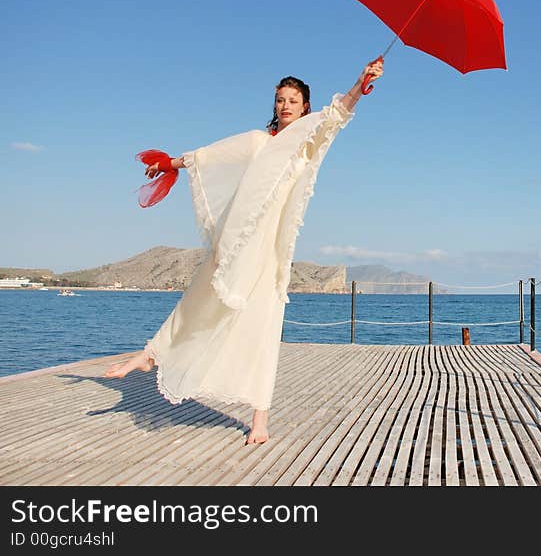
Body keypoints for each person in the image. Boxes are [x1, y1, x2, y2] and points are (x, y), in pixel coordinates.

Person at [105, 57, 385, 445]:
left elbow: (338, 114)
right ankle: (151, 355)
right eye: (280, 99)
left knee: (264, 328)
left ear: (306, 106)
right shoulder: (257, 142)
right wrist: (168, 163)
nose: (285, 105)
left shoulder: (308, 142)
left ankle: (259, 419)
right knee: (201, 297)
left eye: (293, 100)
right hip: (237, 242)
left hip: (271, 252)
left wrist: (361, 82)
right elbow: (209, 155)